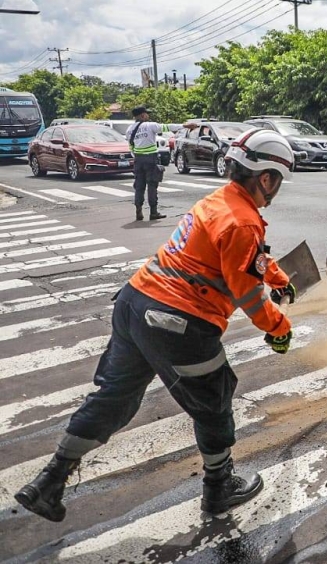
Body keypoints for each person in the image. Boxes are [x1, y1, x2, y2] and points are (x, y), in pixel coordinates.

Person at [15, 129, 299, 522]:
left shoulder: (219, 203)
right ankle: (218, 489)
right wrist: (278, 328)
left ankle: (50, 480)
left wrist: (280, 278)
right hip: (177, 322)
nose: (276, 189)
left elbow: (238, 260)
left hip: (134, 302)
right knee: (214, 403)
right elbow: (247, 293)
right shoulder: (243, 222)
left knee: (114, 396)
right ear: (266, 177)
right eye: (277, 181)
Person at [126, 107, 198, 222]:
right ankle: (153, 212)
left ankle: (138, 209)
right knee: (152, 184)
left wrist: (137, 157)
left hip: (138, 160)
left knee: (139, 186)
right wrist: (185, 126)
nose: (147, 116)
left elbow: (131, 147)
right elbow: (167, 127)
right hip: (150, 159)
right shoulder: (150, 125)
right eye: (146, 114)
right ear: (142, 115)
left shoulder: (130, 129)